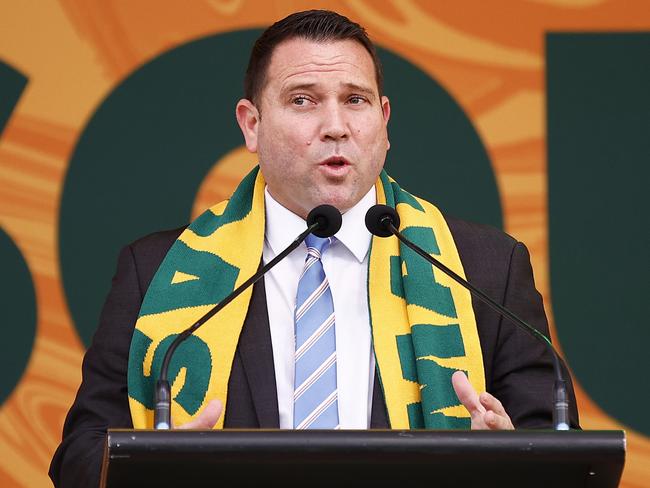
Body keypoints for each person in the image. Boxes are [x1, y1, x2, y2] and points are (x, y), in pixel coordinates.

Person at [49, 9, 579, 487]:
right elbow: (79, 456)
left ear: (384, 121)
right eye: (303, 100)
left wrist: (512, 459)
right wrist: (150, 467)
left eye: (356, 100)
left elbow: (565, 456)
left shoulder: (484, 269)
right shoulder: (156, 272)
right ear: (251, 124)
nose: (336, 127)